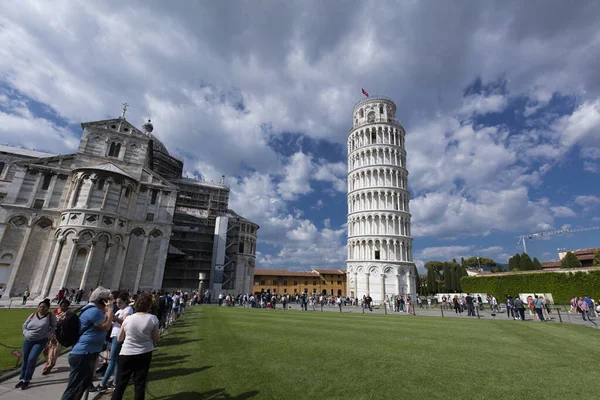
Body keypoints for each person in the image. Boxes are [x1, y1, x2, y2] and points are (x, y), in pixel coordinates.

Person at [61, 287, 114, 400]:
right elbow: (106, 326)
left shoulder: (92, 310)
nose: (110, 302)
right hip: (83, 353)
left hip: (88, 352)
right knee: (74, 388)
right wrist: (110, 309)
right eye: (108, 300)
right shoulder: (93, 311)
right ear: (102, 301)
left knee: (80, 387)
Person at [111, 293, 159, 400]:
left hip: (126, 353)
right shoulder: (153, 318)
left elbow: (119, 338)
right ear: (149, 306)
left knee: (120, 384)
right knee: (140, 384)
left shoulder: (128, 319)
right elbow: (156, 337)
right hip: (144, 353)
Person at [91, 293, 134, 393]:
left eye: (120, 302)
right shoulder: (119, 310)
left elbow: (125, 322)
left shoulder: (128, 309)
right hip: (114, 335)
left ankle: (103, 383)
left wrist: (114, 318)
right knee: (116, 361)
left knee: (112, 360)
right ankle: (116, 381)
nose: (118, 304)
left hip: (119, 336)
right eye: (117, 302)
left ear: (125, 301)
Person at [16, 299, 56, 390]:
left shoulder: (50, 316)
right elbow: (25, 325)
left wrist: (46, 335)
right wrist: (25, 333)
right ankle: (22, 378)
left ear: (48, 308)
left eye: (44, 307)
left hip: (40, 341)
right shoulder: (33, 315)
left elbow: (53, 327)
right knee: (25, 359)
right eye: (40, 306)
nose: (41, 308)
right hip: (28, 340)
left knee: (32, 359)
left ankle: (27, 379)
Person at [43, 300, 71, 375]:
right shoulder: (54, 312)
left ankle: (49, 365)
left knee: (53, 351)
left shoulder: (69, 314)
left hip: (59, 335)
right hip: (50, 334)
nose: (63, 307)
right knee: (45, 351)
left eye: (65, 306)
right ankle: (49, 361)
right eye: (62, 306)